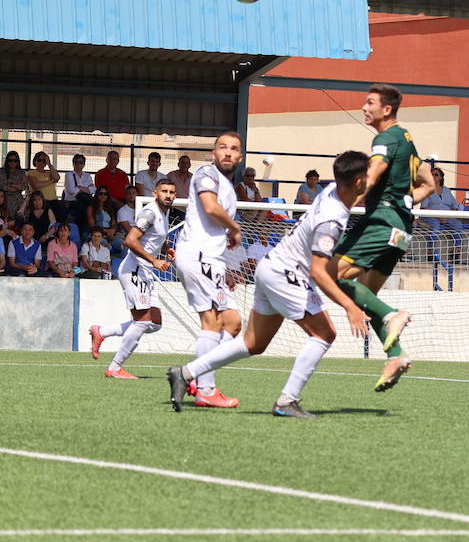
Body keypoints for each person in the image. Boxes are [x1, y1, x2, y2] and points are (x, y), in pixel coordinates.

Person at [168, 151, 373, 417]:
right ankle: (287, 401)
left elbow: (368, 179)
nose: (371, 179)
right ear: (358, 181)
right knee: (325, 334)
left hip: (269, 267)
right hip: (288, 275)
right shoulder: (331, 221)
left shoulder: (333, 188)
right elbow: (319, 272)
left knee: (254, 343)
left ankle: (185, 373)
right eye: (367, 175)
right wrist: (350, 306)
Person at [328, 84, 434, 393]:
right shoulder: (408, 140)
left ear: (386, 110)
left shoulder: (385, 139)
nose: (363, 107)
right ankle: (396, 355)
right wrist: (404, 202)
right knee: (365, 295)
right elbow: (428, 183)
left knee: (329, 274)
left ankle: (392, 315)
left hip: (381, 223)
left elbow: (372, 175)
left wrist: (341, 204)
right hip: (402, 228)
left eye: (369, 102)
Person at [172, 132, 247, 409]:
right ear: (213, 153)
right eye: (222, 147)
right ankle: (205, 389)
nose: (227, 152)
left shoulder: (228, 185)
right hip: (198, 255)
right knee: (212, 323)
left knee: (233, 322)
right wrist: (235, 227)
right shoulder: (207, 173)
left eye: (234, 149)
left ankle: (196, 374)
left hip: (211, 260)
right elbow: (209, 206)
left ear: (239, 157)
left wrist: (224, 267)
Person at [91, 180, 175, 378]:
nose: (168, 195)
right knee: (143, 322)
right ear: (155, 193)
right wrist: (154, 260)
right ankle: (114, 367)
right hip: (135, 269)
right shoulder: (150, 212)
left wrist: (165, 249)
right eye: (164, 191)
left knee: (154, 322)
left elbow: (152, 239)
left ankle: (102, 332)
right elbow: (130, 240)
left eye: (172, 192)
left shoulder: (165, 212)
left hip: (145, 272)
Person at [0, 151, 29, 218]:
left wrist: (11, 184)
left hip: (18, 196)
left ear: (18, 162)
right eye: (10, 160)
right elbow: (3, 186)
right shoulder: (2, 171)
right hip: (5, 196)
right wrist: (17, 186)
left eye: (15, 161)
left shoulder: (22, 172)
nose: (12, 162)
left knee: (24, 208)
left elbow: (24, 186)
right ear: (7, 161)